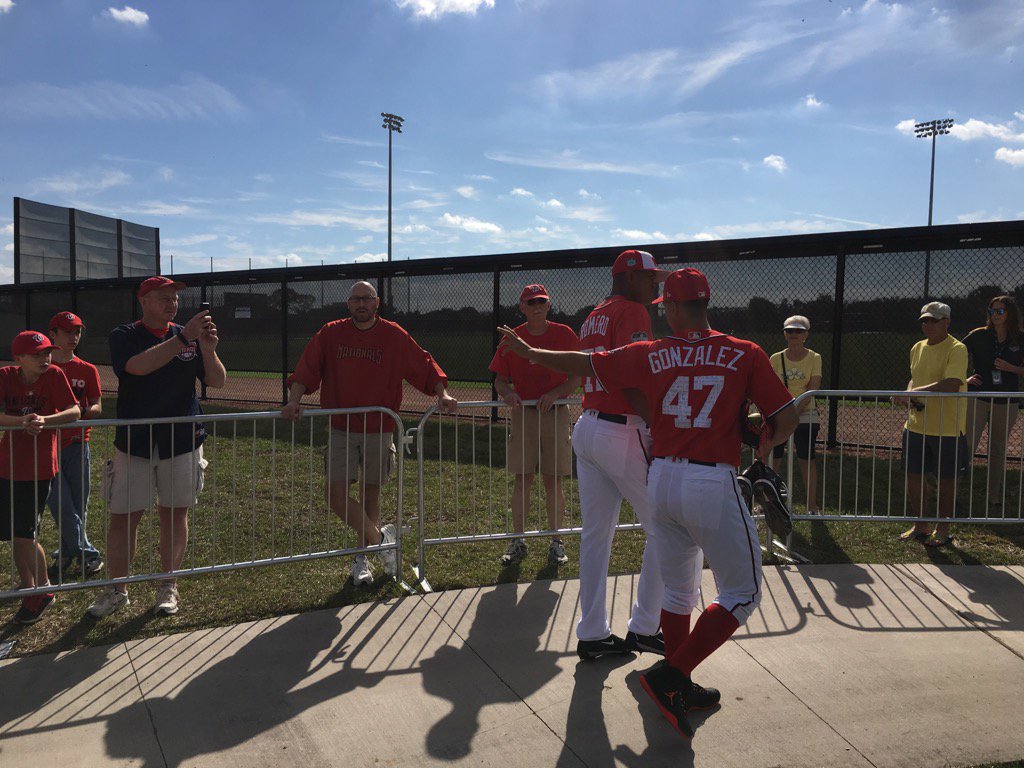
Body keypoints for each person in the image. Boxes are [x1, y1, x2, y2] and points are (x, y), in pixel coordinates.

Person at [498, 267, 799, 739]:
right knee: (743, 592)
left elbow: (587, 365)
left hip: (663, 478)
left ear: (675, 308)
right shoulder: (745, 352)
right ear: (707, 303)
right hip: (710, 481)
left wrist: (531, 352)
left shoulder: (655, 352)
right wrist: (763, 445)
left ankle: (679, 684)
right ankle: (673, 676)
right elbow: (784, 416)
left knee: (678, 592)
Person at [282, 280, 457, 586]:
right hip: (341, 427)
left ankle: (361, 560)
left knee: (370, 495)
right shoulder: (331, 332)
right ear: (348, 304)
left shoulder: (394, 335)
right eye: (355, 299)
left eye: (367, 299)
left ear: (377, 303)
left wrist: (441, 394)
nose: (361, 304)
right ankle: (381, 542)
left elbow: (424, 365)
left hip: (379, 427)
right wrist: (294, 400)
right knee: (335, 495)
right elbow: (306, 369)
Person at [87, 276, 226, 618]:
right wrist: (183, 338)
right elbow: (136, 367)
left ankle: (168, 584)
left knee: (175, 513)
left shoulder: (188, 336)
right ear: (144, 301)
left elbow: (217, 381)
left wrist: (207, 350)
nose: (172, 304)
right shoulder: (125, 335)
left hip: (182, 440)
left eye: (175, 298)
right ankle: (117, 589)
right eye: (164, 298)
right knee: (124, 517)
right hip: (135, 441)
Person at [566, 249, 668, 660]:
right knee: (668, 526)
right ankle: (645, 626)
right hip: (619, 429)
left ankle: (593, 633)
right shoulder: (631, 311)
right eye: (649, 279)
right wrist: (655, 421)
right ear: (628, 278)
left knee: (595, 537)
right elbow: (630, 378)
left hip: (588, 425)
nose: (654, 287)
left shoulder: (595, 314)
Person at [489, 284, 580, 566]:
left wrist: (555, 394)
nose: (537, 305)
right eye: (531, 302)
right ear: (522, 308)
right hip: (524, 413)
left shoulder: (564, 334)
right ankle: (518, 541)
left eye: (541, 300)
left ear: (549, 304)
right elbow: (499, 380)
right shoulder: (511, 339)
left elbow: (577, 375)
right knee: (523, 478)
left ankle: (556, 542)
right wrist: (508, 393)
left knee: (554, 480)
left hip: (556, 413)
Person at [1, 331, 81, 624]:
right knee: (13, 534)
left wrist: (43, 420)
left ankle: (43, 589)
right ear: (19, 358)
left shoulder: (55, 375)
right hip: (7, 466)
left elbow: (75, 411)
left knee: (25, 533)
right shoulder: (6, 375)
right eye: (37, 354)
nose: (45, 358)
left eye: (47, 352)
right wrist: (22, 422)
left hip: (38, 468)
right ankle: (28, 586)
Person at [894, 301, 968, 548]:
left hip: (947, 427)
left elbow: (952, 383)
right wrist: (908, 393)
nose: (928, 325)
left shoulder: (957, 348)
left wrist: (913, 394)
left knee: (947, 479)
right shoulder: (916, 347)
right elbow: (913, 380)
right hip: (915, 426)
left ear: (947, 322)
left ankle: (942, 529)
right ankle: (920, 524)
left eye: (934, 320)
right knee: (914, 475)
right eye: (925, 320)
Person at [46, 311, 104, 580]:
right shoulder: (43, 368)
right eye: (68, 331)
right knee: (61, 504)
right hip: (48, 447)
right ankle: (88, 554)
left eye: (78, 331)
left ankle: (68, 551)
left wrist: (86, 410)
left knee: (78, 505)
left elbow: (96, 403)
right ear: (53, 334)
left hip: (79, 445)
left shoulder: (87, 369)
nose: (74, 337)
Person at [962, 295, 1023, 509]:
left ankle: (994, 496)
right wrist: (964, 379)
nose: (995, 315)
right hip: (978, 398)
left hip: (1007, 401)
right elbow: (955, 355)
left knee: (997, 449)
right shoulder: (978, 335)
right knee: (967, 444)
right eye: (992, 311)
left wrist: (1012, 369)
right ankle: (954, 491)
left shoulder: (1019, 338)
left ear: (1010, 314)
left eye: (1000, 311)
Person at [768, 315, 822, 513]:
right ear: (784, 334)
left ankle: (811, 505)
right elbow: (771, 387)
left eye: (799, 331)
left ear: (806, 334)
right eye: (790, 331)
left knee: (806, 458)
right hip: (781, 414)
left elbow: (812, 389)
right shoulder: (775, 358)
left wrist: (793, 413)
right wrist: (783, 414)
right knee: (774, 457)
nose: (794, 334)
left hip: (805, 414)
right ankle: (768, 499)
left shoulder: (814, 358)